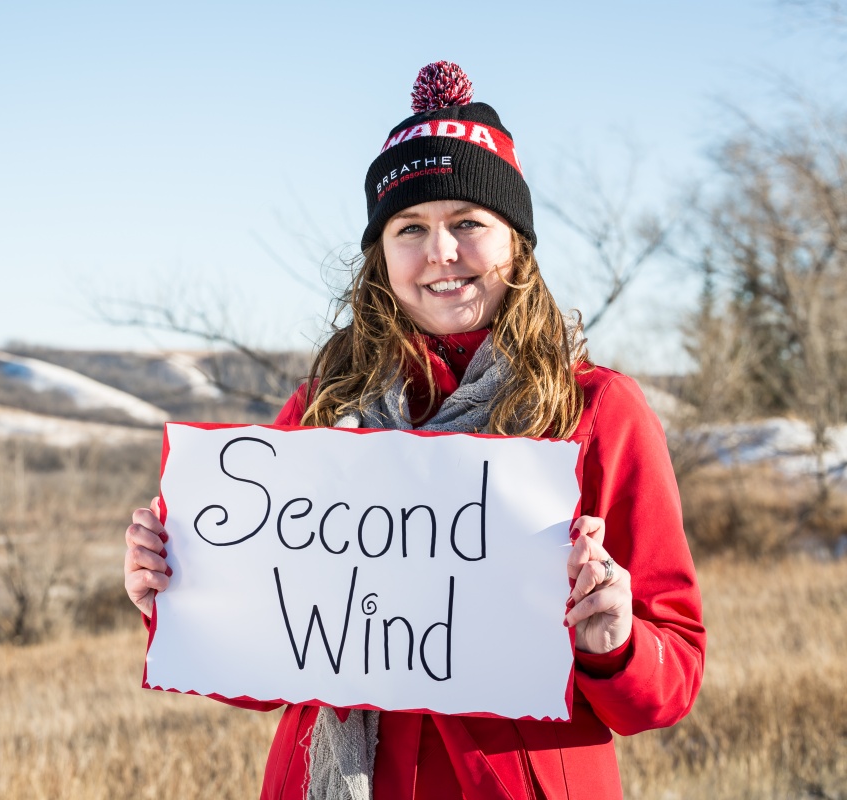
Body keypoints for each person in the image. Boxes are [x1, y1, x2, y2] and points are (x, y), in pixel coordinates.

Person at [123, 61, 705, 800]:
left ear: (516, 242)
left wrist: (614, 642)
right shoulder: (323, 410)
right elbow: (270, 659)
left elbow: (672, 676)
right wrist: (177, 591)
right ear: (381, 255)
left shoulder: (594, 411)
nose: (441, 253)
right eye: (411, 228)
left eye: (468, 222)